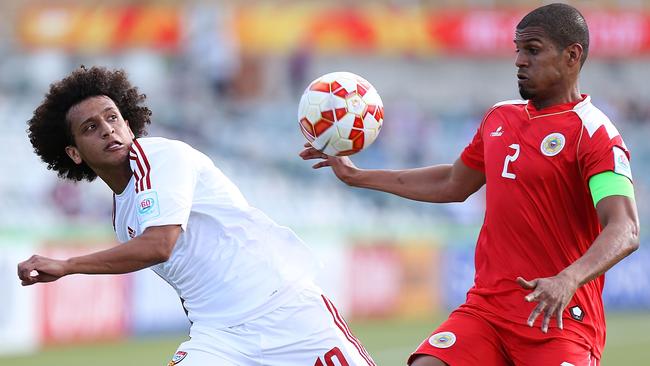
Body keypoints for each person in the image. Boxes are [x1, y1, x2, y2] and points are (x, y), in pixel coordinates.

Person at [300, 3, 639, 366]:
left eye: (533, 50)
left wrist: (568, 279)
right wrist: (357, 176)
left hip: (557, 319)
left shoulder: (595, 134)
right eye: (518, 50)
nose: (519, 61)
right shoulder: (500, 118)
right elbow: (453, 182)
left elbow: (625, 228)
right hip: (487, 313)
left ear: (572, 56)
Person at [17, 66, 376, 366]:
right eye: (91, 127)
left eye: (112, 118)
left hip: (287, 311)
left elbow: (159, 246)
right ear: (74, 153)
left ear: (128, 124)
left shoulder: (161, 157)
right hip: (220, 339)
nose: (108, 129)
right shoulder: (122, 213)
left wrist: (68, 265)